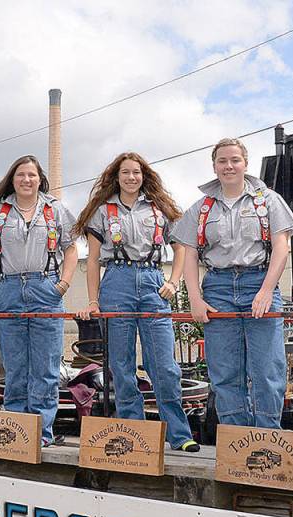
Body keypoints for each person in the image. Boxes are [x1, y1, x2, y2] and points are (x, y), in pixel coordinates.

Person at [74, 152, 199, 453]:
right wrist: (93, 300)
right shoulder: (102, 212)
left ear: (144, 176)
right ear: (116, 177)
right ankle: (133, 433)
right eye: (125, 172)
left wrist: (173, 281)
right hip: (116, 283)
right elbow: (92, 261)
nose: (131, 177)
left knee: (165, 366)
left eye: (136, 172)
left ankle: (180, 435)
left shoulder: (159, 209)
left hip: (153, 281)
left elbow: (181, 247)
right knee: (121, 365)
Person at [172, 138, 293, 429]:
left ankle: (267, 437)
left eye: (234, 160)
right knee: (225, 371)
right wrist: (195, 298)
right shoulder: (201, 208)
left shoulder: (268, 201)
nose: (229, 166)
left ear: (245, 163)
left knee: (267, 368)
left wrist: (266, 290)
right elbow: (188, 253)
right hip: (217, 287)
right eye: (222, 161)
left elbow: (281, 247)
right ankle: (235, 440)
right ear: (214, 166)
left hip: (258, 280)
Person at [0, 155, 78, 447]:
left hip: (46, 288)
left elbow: (71, 249)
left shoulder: (55, 209)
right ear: (12, 178)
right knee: (16, 366)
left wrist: (63, 285)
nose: (26, 180)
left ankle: (42, 434)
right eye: (21, 175)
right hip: (8, 290)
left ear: (40, 178)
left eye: (31, 175)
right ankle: (17, 431)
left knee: (45, 366)